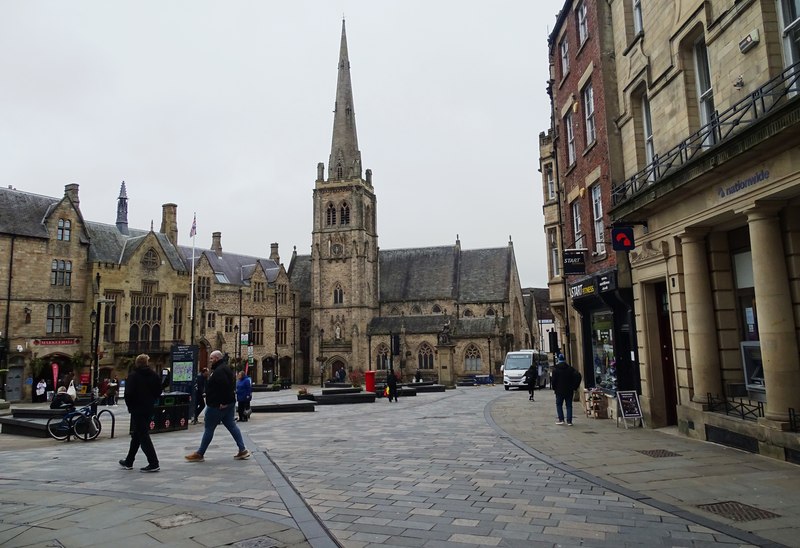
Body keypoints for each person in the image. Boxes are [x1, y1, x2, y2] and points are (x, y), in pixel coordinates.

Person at [185, 350, 251, 462]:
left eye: (211, 358)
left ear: (216, 358)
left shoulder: (219, 371)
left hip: (217, 405)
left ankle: (200, 453)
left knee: (209, 428)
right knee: (232, 426)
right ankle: (242, 449)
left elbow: (224, 387)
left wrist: (223, 402)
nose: (210, 361)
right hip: (228, 403)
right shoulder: (225, 368)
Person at [119, 353, 162, 472]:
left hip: (137, 409)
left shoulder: (133, 376)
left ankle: (154, 463)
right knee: (137, 435)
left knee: (143, 435)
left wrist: (130, 406)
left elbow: (128, 394)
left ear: (137, 363)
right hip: (149, 408)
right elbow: (159, 391)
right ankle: (129, 461)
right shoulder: (154, 375)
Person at [551, 353, 576, 426]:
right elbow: (577, 376)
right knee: (569, 405)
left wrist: (554, 388)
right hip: (569, 390)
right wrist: (574, 387)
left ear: (558, 360)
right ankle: (569, 421)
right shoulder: (570, 369)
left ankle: (561, 419)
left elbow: (553, 381)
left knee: (559, 405)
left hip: (559, 390)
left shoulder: (555, 369)